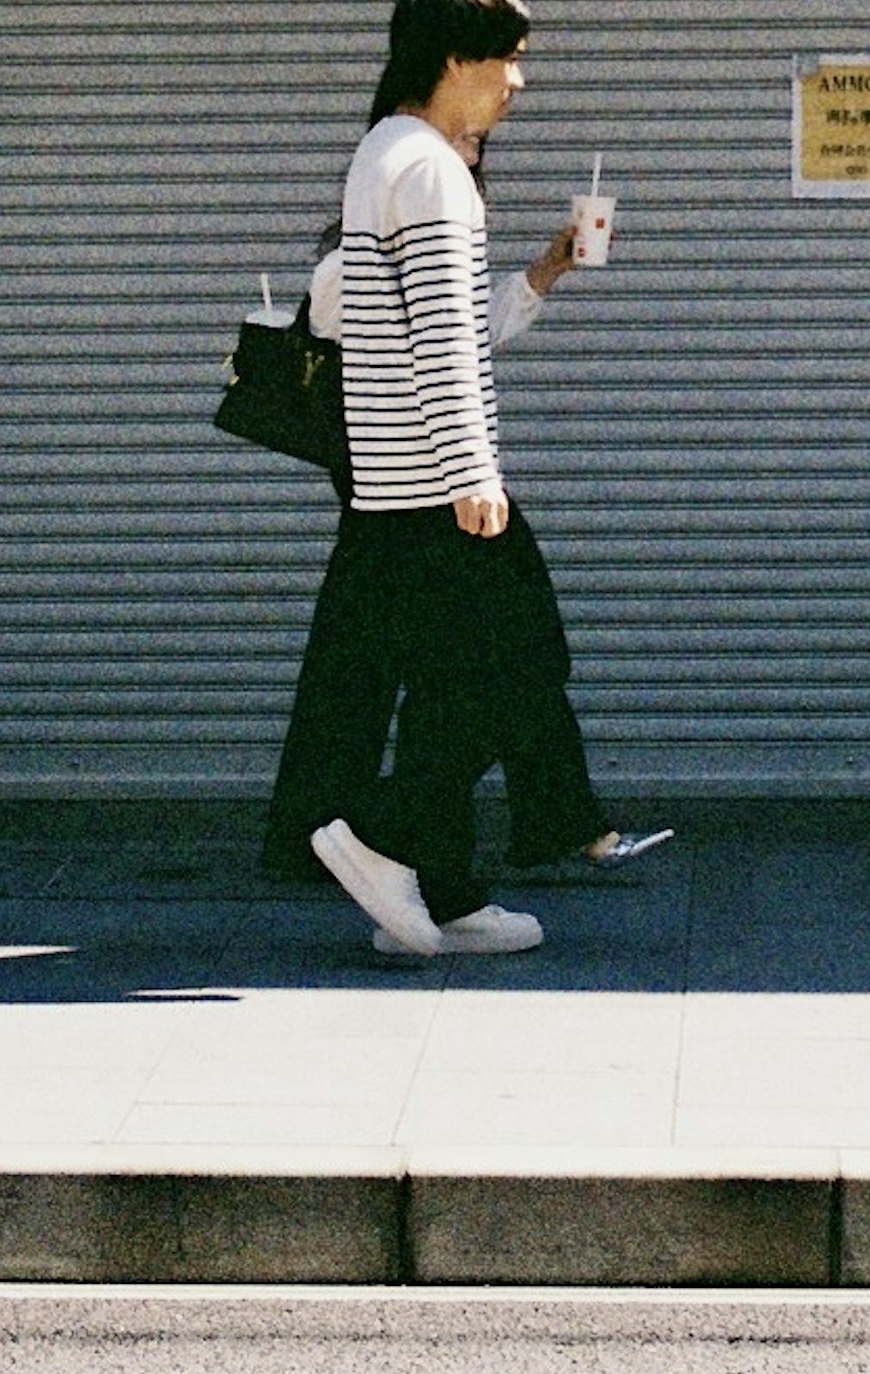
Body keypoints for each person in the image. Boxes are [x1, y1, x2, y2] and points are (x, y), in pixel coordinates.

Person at [302, 0, 659, 958]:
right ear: (454, 59)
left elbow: (418, 321)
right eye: (508, 58)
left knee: (462, 684)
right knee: (518, 664)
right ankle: (381, 839)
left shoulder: (393, 153)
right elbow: (443, 341)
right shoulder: (429, 170)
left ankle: (446, 896)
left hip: (399, 481)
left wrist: (542, 272)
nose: (518, 81)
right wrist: (472, 472)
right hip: (432, 484)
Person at [258, 121, 671, 885]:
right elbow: (412, 339)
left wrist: (547, 269)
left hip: (452, 496)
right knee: (455, 673)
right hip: (413, 500)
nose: (467, 165)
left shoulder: (428, 252)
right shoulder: (355, 263)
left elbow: (469, 329)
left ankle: (539, 824)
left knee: (485, 666)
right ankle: (374, 834)